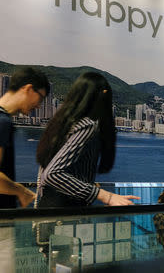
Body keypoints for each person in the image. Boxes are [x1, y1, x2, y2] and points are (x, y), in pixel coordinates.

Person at [36, 72, 140, 207]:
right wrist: (106, 196)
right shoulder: (88, 126)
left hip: (47, 209)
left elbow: (43, 174)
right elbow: (52, 174)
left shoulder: (62, 124)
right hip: (65, 216)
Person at [0, 67, 49, 208]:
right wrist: (21, 191)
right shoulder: (3, 122)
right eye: (40, 97)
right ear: (28, 89)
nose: (39, 106)